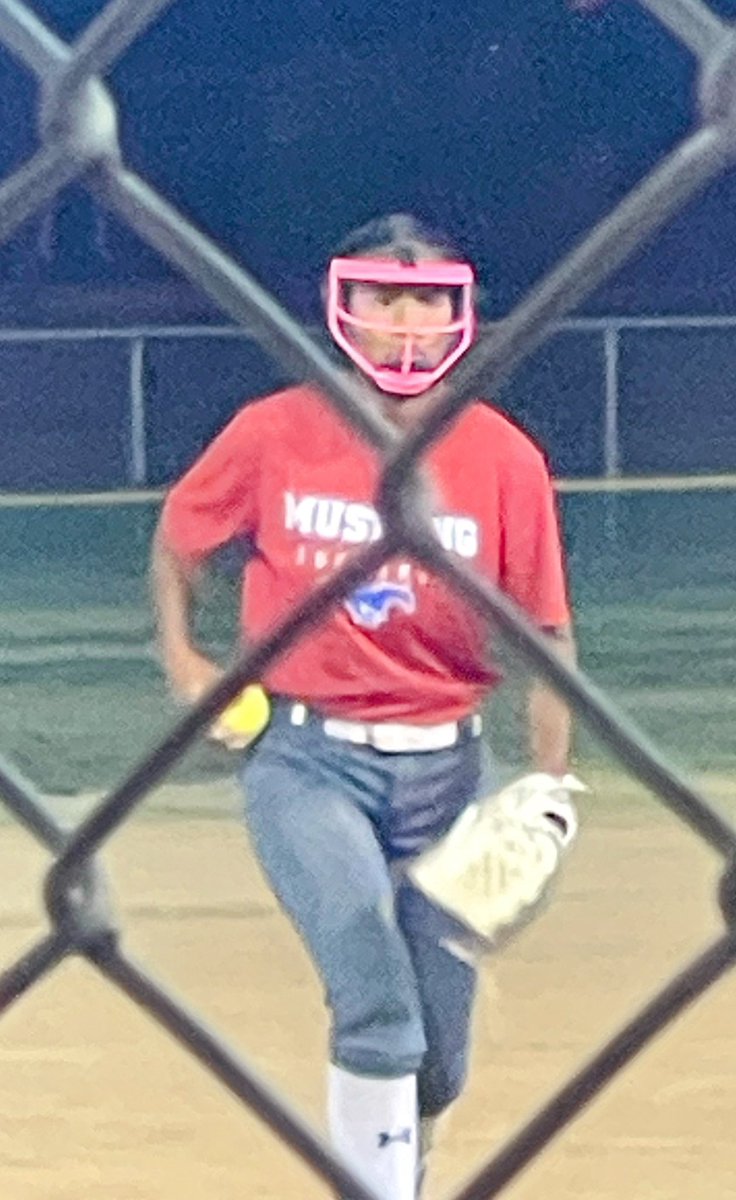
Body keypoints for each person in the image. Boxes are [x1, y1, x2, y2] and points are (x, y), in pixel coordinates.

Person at [151, 213, 575, 1200]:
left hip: (455, 769)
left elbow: (547, 636)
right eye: (386, 297)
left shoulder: (503, 459)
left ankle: (400, 1172)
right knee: (375, 1001)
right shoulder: (275, 432)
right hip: (305, 760)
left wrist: (550, 784)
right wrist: (185, 660)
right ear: (346, 307)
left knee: (438, 1057)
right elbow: (180, 542)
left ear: (460, 312)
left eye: (427, 299)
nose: (407, 322)